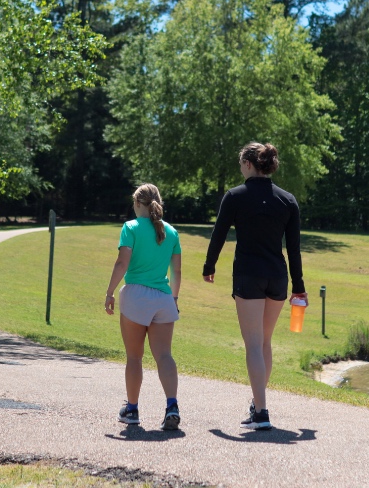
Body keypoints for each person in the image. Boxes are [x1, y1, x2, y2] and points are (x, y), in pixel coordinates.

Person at [202, 142, 308, 430]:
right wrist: (299, 286)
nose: (240, 168)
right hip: (277, 277)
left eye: (240, 163)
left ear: (249, 164)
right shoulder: (288, 200)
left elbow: (218, 235)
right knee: (264, 342)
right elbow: (295, 250)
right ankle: (257, 403)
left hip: (248, 275)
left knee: (253, 344)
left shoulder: (235, 196)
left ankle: (261, 412)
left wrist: (209, 267)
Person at [105, 183, 182, 430]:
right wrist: (175, 299)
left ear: (138, 204)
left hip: (136, 296)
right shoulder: (172, 232)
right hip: (164, 298)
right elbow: (177, 271)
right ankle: (172, 406)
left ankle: (132, 409)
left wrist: (109, 292)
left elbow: (121, 263)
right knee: (164, 355)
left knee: (134, 357)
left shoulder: (131, 227)